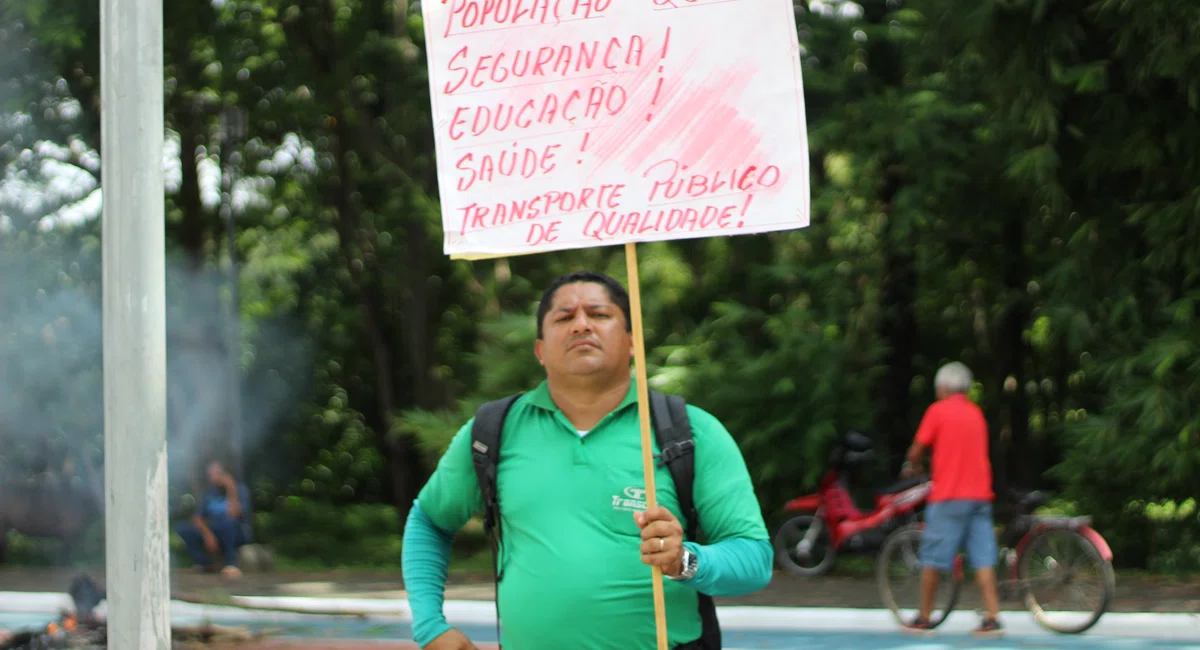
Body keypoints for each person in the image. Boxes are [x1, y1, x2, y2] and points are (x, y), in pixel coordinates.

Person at [401, 270, 773, 650]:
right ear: (540, 350)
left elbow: (754, 559)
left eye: (599, 314)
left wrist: (685, 561)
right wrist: (430, 627)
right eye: (564, 317)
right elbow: (429, 520)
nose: (581, 325)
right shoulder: (492, 432)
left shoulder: (691, 432)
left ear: (631, 341)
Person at [901, 361, 1003, 637]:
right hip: (980, 497)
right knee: (983, 558)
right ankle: (992, 618)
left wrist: (912, 464)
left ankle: (924, 617)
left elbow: (917, 449)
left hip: (948, 497)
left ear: (944, 387)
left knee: (933, 558)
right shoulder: (976, 413)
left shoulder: (938, 411)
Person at [176, 459, 253, 578]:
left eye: (216, 474)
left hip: (237, 531)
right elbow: (197, 518)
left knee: (228, 523)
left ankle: (232, 564)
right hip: (215, 530)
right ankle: (204, 563)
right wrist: (207, 534)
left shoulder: (240, 490)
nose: (213, 478)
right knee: (183, 528)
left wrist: (231, 489)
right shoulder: (210, 493)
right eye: (210, 475)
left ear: (226, 475)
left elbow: (233, 514)